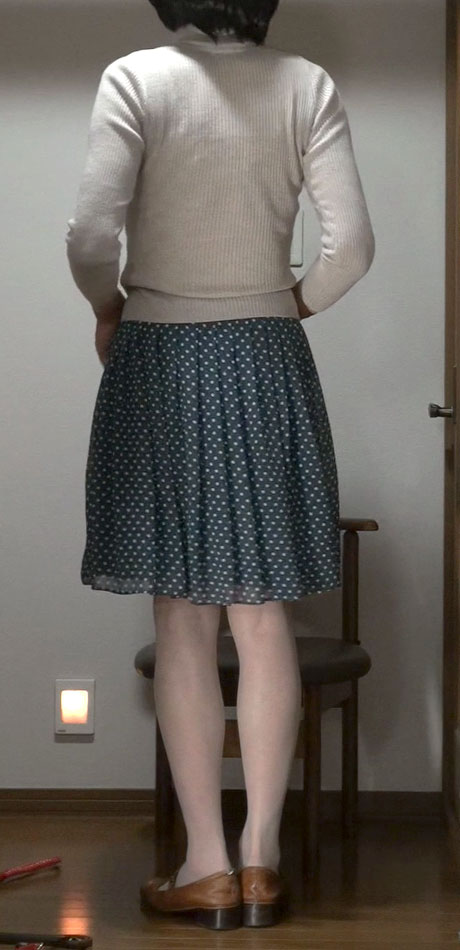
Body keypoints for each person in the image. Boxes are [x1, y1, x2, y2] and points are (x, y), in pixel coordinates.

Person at [65, 0, 375, 930]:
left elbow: (91, 237)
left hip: (159, 350)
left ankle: (204, 866)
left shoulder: (137, 79)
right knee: (263, 610)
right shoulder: (305, 85)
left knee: (183, 613)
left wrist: (109, 306)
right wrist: (285, 305)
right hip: (268, 358)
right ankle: (261, 862)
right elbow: (353, 249)